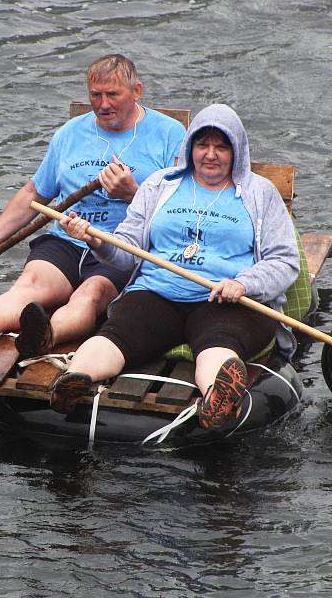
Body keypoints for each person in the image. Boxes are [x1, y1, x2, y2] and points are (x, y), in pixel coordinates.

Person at [54, 103, 300, 430]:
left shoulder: (260, 194)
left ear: (236, 150)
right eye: (202, 145)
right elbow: (127, 249)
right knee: (119, 332)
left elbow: (284, 261)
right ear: (190, 147)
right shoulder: (160, 185)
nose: (210, 154)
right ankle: (74, 380)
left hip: (226, 300)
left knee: (218, 341)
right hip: (157, 292)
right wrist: (97, 241)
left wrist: (244, 284)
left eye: (221, 146)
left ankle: (219, 395)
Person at [0, 54, 186, 357]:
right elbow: (33, 194)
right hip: (67, 238)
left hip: (121, 247)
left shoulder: (171, 135)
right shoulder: (70, 133)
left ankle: (46, 335)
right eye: (96, 95)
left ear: (137, 91)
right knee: (29, 283)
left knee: (90, 294)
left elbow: (182, 209)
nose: (103, 104)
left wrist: (133, 193)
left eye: (113, 94)